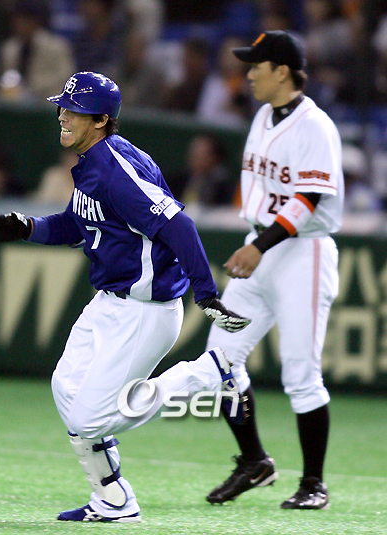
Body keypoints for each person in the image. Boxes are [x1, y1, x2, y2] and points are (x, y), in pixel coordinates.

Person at [0, 71, 251, 523]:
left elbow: (179, 225)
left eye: (74, 110)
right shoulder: (94, 159)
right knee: (66, 389)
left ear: (101, 119)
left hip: (145, 310)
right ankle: (114, 499)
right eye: (62, 107)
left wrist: (205, 292)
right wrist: (27, 227)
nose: (62, 116)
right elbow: (76, 224)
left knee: (91, 419)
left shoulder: (115, 168)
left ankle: (211, 372)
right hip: (109, 302)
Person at [204, 31, 343, 510]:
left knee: (301, 372)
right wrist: (257, 243)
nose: (248, 74)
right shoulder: (264, 115)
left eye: (256, 66)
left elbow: (309, 198)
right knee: (219, 360)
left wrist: (259, 247)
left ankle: (314, 485)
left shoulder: (315, 125)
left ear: (282, 71)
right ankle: (254, 462)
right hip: (261, 244)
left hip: (302, 252)